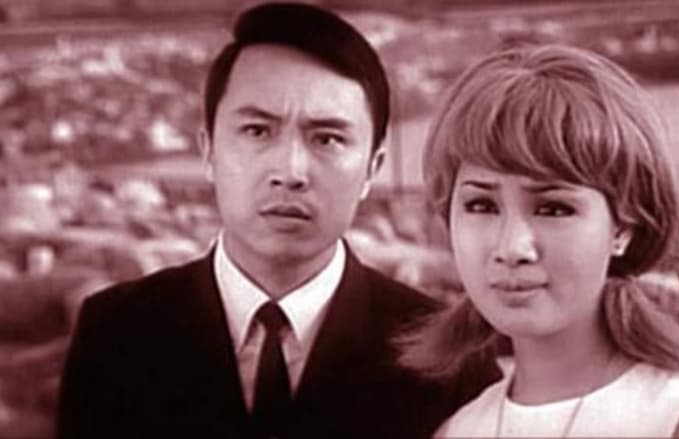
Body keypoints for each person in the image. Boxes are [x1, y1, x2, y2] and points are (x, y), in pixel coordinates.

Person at [56, 3, 498, 439]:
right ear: (208, 150)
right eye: (257, 131)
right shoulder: (114, 333)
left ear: (372, 168)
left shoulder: (449, 359)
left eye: (328, 139)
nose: (290, 172)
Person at [396, 44, 679, 437]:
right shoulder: (458, 430)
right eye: (481, 205)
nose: (512, 248)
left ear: (623, 228)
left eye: (553, 209)